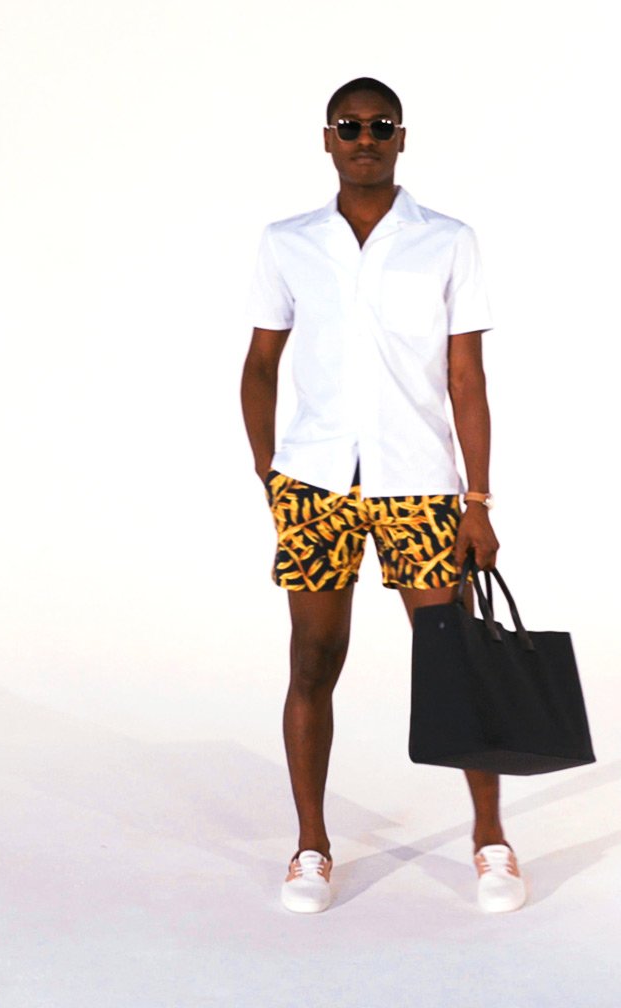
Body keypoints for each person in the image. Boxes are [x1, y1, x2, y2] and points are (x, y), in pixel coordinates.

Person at [239, 77, 523, 914]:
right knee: (312, 660)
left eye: (380, 125)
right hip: (316, 485)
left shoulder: (447, 241)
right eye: (350, 125)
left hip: (420, 485)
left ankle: (490, 839)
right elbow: (260, 364)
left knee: (454, 665)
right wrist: (269, 471)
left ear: (402, 138)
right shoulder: (287, 242)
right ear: (327, 138)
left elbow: (467, 378)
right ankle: (311, 846)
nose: (365, 138)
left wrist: (478, 500)